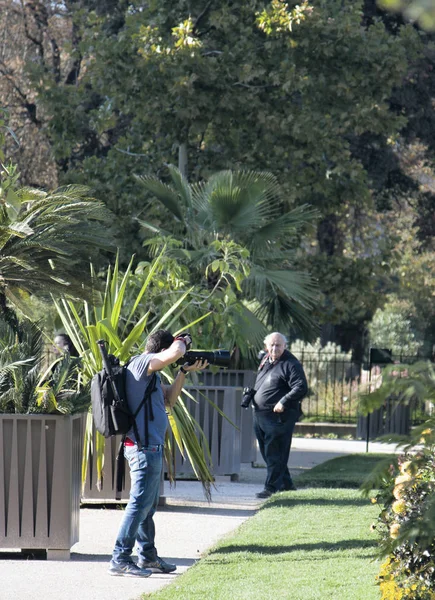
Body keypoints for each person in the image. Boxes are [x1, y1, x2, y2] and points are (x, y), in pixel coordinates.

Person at [108, 329, 208, 578]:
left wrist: (183, 372)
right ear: (162, 350)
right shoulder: (142, 363)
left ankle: (148, 557)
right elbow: (174, 352)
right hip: (143, 448)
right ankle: (120, 558)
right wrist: (182, 342)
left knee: (147, 507)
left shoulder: (148, 375)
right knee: (138, 504)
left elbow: (169, 400)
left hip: (150, 448)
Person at [251, 332, 307, 499]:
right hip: (261, 415)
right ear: (266, 346)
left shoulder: (291, 364)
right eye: (272, 345)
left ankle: (271, 488)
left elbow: (301, 387)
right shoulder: (266, 360)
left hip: (279, 417)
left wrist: (283, 401)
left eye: (278, 345)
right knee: (271, 453)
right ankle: (287, 485)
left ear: (285, 346)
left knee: (275, 452)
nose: (275, 348)